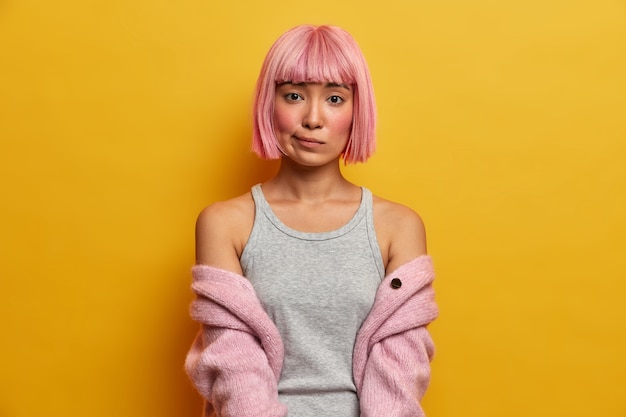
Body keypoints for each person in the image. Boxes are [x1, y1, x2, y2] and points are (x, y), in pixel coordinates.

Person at [185, 24, 438, 417]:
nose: (313, 118)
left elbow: (400, 370)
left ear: (358, 110)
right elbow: (233, 363)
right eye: (294, 96)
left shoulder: (398, 226)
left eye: (335, 98)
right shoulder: (225, 223)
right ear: (269, 104)